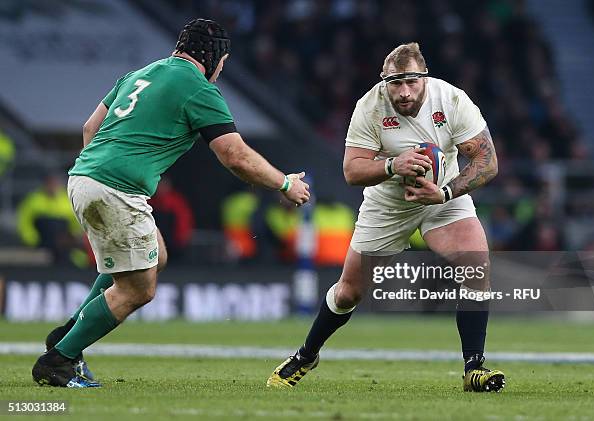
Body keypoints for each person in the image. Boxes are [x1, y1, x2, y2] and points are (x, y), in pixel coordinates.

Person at [32, 18, 310, 388]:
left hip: (83, 177)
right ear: (212, 57)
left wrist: (100, 173)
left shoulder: (139, 74)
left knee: (155, 257)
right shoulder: (197, 88)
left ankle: (68, 334)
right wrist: (284, 182)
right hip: (115, 188)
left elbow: (89, 129)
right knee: (138, 289)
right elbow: (235, 156)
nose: (220, 71)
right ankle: (60, 360)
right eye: (222, 63)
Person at [267, 43, 504, 392]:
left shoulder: (452, 100)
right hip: (389, 204)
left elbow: (487, 162)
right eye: (395, 83)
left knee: (476, 266)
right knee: (349, 293)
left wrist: (445, 192)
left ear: (425, 78)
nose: (403, 91)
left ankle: (474, 367)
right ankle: (306, 355)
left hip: (443, 196)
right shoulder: (370, 106)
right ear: (384, 81)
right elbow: (351, 170)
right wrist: (393, 164)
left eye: (411, 81)